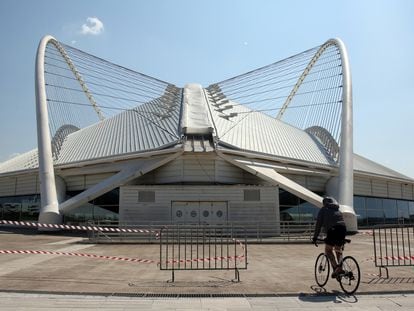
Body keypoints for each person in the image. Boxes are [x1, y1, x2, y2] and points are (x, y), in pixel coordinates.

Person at [312, 196, 347, 278]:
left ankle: (336, 268)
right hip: (343, 229)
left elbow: (318, 224)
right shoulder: (337, 209)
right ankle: (340, 269)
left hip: (332, 230)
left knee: (328, 250)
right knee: (338, 249)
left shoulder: (323, 209)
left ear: (324, 203)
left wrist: (315, 237)